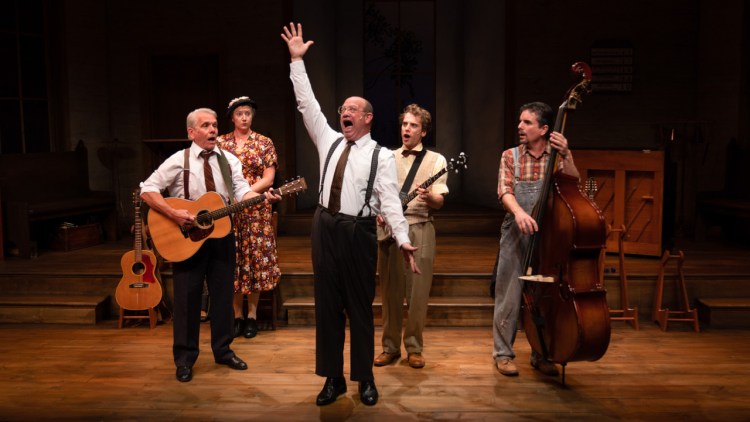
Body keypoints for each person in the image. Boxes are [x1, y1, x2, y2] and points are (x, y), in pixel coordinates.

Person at [281, 22, 419, 407]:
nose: (345, 112)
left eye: (353, 109)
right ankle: (333, 379)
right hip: (324, 226)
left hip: (358, 232)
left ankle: (365, 379)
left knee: (359, 308)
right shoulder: (328, 140)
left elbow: (390, 201)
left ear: (368, 118)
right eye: (343, 108)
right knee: (327, 307)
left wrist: (404, 238)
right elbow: (307, 104)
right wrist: (296, 62)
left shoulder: (381, 156)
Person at [141, 107, 262, 383]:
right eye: (206, 126)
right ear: (191, 132)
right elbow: (147, 189)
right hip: (185, 238)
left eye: (215, 125)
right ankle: (184, 359)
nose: (212, 130)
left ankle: (223, 350)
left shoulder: (228, 160)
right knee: (186, 300)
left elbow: (241, 190)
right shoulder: (178, 160)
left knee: (222, 298)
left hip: (221, 236)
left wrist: (261, 196)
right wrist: (174, 214)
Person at [492, 101, 580, 377]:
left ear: (544, 128)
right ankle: (503, 354)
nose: (520, 126)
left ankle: (542, 353)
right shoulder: (510, 156)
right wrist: (519, 213)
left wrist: (568, 155)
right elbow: (504, 191)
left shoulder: (557, 157)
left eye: (527, 122)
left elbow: (575, 185)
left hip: (548, 237)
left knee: (545, 297)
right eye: (520, 121)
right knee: (508, 294)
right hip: (516, 233)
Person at [375, 104, 448, 370]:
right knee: (390, 293)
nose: (407, 129)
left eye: (413, 125)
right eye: (405, 124)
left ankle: (414, 348)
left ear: (423, 131)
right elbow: (375, 195)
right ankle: (389, 347)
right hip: (390, 231)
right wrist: (378, 212)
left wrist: (430, 197)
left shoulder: (436, 160)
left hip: (420, 226)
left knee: (418, 293)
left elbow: (440, 200)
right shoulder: (386, 157)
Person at [218, 96, 281, 339]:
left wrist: (244, 194)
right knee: (232, 260)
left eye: (248, 113)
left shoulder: (264, 142)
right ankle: (237, 316)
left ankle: (252, 316)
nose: (244, 117)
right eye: (239, 114)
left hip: (255, 209)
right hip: (228, 210)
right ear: (232, 117)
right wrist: (231, 198)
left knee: (254, 262)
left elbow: (268, 179)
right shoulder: (221, 143)